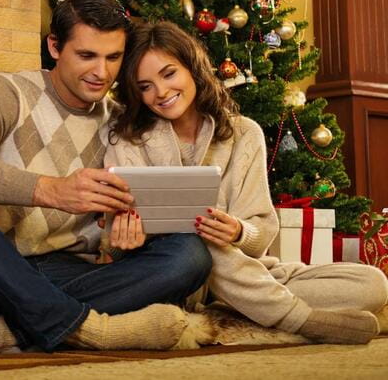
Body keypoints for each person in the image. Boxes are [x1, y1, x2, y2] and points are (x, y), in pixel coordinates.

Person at [0, 0, 212, 356]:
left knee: (189, 255)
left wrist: (130, 233)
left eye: (113, 57)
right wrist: (48, 190)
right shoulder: (10, 93)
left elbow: (131, 226)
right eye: (86, 55)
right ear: (54, 47)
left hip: (71, 273)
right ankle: (91, 330)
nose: (102, 72)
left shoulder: (122, 122)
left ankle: (6, 330)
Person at [105, 20, 388, 345]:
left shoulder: (244, 133)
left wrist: (238, 231)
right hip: (172, 272)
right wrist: (124, 236)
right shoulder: (127, 140)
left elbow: (262, 231)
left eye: (169, 74)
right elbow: (113, 237)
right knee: (194, 238)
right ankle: (297, 318)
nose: (161, 92)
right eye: (145, 86)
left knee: (373, 283)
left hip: (244, 273)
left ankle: (236, 309)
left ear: (193, 67)